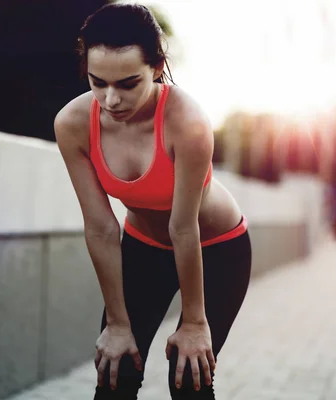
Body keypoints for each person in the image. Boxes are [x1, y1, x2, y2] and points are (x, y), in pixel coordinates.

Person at [54, 4, 251, 399]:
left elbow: (183, 227)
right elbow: (101, 227)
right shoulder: (72, 124)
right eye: (98, 82)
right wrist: (117, 323)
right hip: (144, 247)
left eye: (128, 84)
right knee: (115, 372)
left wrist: (194, 324)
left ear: (157, 67)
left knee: (189, 379)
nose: (111, 100)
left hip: (216, 248)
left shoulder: (188, 124)